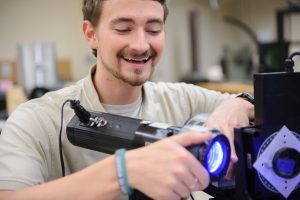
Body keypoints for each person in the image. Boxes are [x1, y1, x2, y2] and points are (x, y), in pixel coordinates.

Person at [0, 0, 254, 199]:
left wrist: (238, 104)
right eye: (124, 29)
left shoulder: (183, 99)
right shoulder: (36, 120)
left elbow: (262, 106)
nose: (141, 44)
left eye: (153, 29)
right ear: (91, 34)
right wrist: (123, 172)